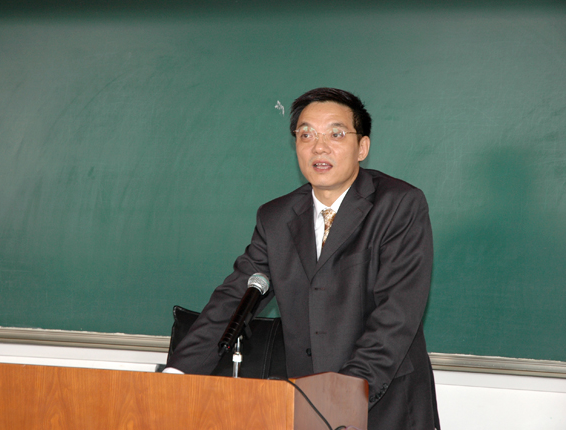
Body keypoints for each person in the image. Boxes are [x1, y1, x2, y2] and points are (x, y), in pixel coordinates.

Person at [166, 88, 440, 429]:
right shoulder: (276, 218)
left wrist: (342, 396)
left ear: (362, 147)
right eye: (306, 135)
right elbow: (233, 300)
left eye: (336, 134)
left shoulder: (398, 205)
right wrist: (175, 375)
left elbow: (396, 316)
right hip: (308, 401)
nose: (319, 147)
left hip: (387, 406)